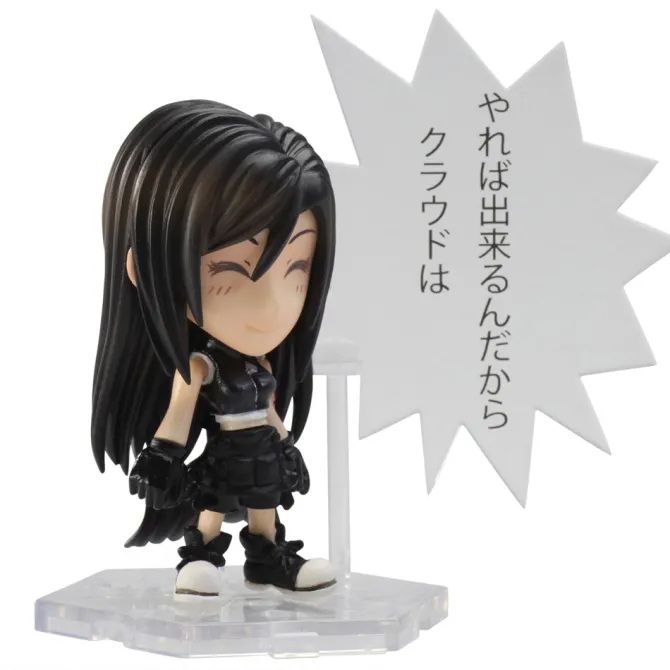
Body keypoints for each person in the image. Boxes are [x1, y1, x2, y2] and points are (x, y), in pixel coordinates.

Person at [91, 100, 336, 596]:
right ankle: (200, 559)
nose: (271, 307)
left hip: (261, 450)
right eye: (228, 272)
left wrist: (287, 448)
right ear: (148, 272)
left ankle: (268, 557)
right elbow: (180, 415)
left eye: (296, 270)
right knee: (213, 506)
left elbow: (270, 412)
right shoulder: (200, 366)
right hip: (225, 453)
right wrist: (162, 456)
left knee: (265, 504)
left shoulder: (263, 363)